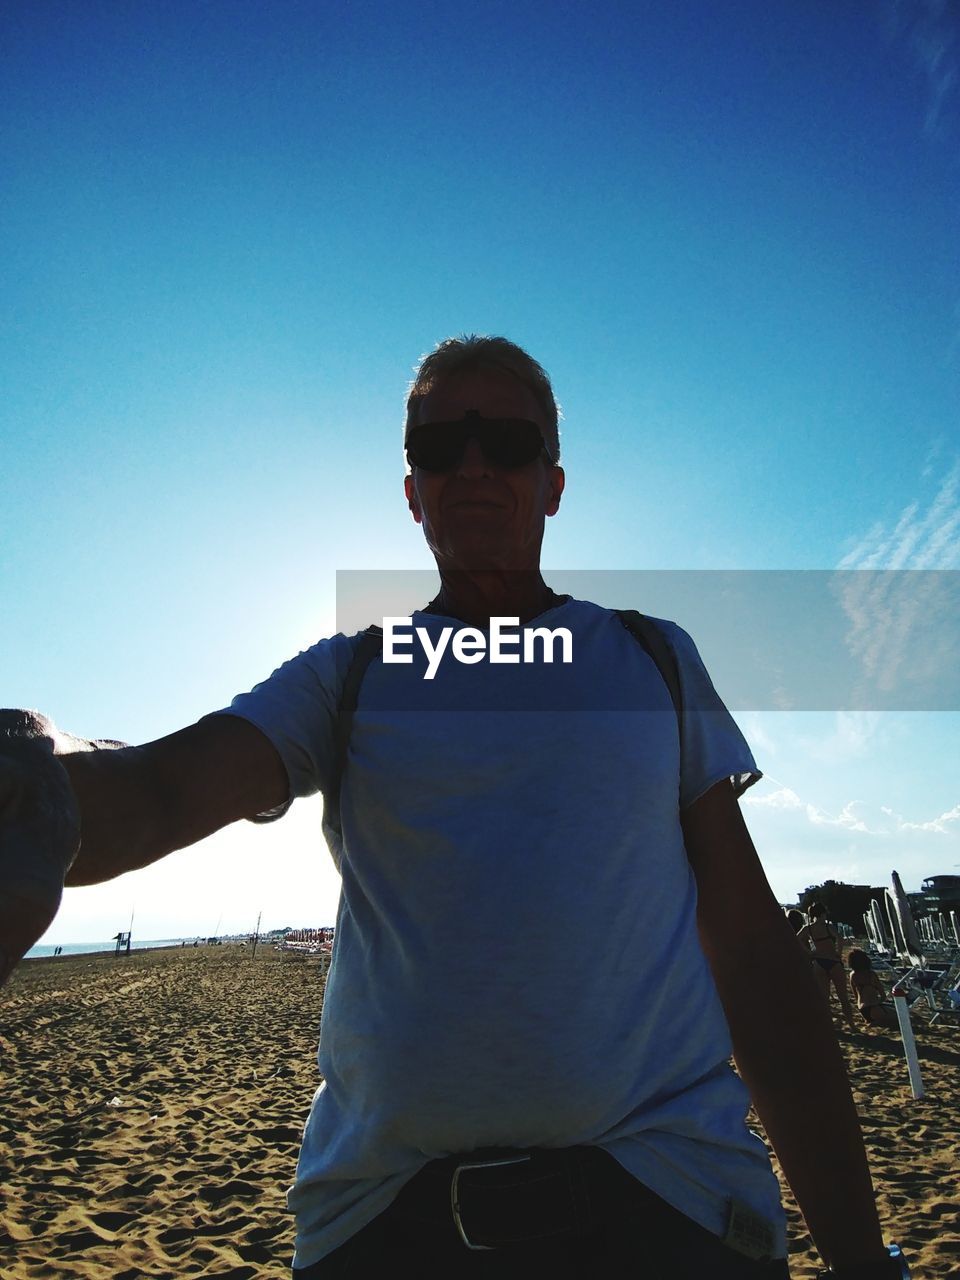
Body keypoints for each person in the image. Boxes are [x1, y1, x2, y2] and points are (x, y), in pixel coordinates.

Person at [0, 336, 909, 1279]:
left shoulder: (652, 660)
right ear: (412, 492)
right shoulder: (346, 675)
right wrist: (28, 771)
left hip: (668, 1199)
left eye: (507, 442)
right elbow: (156, 788)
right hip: (388, 1219)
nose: (473, 464)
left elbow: (755, 958)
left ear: (553, 482)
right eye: (440, 450)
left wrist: (857, 1254)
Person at [798, 902, 857, 1030]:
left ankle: (828, 1026)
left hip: (818, 962)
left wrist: (809, 953)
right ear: (823, 913)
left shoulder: (808, 928)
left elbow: (796, 939)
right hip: (833, 961)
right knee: (843, 997)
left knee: (824, 998)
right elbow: (840, 939)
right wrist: (838, 953)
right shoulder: (828, 926)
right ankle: (852, 1025)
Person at [847, 950, 898, 1029]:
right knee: (896, 1016)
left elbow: (856, 996)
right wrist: (878, 1002)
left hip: (862, 1009)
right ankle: (875, 1022)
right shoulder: (871, 974)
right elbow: (883, 995)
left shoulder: (852, 975)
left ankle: (870, 1020)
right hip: (874, 1008)